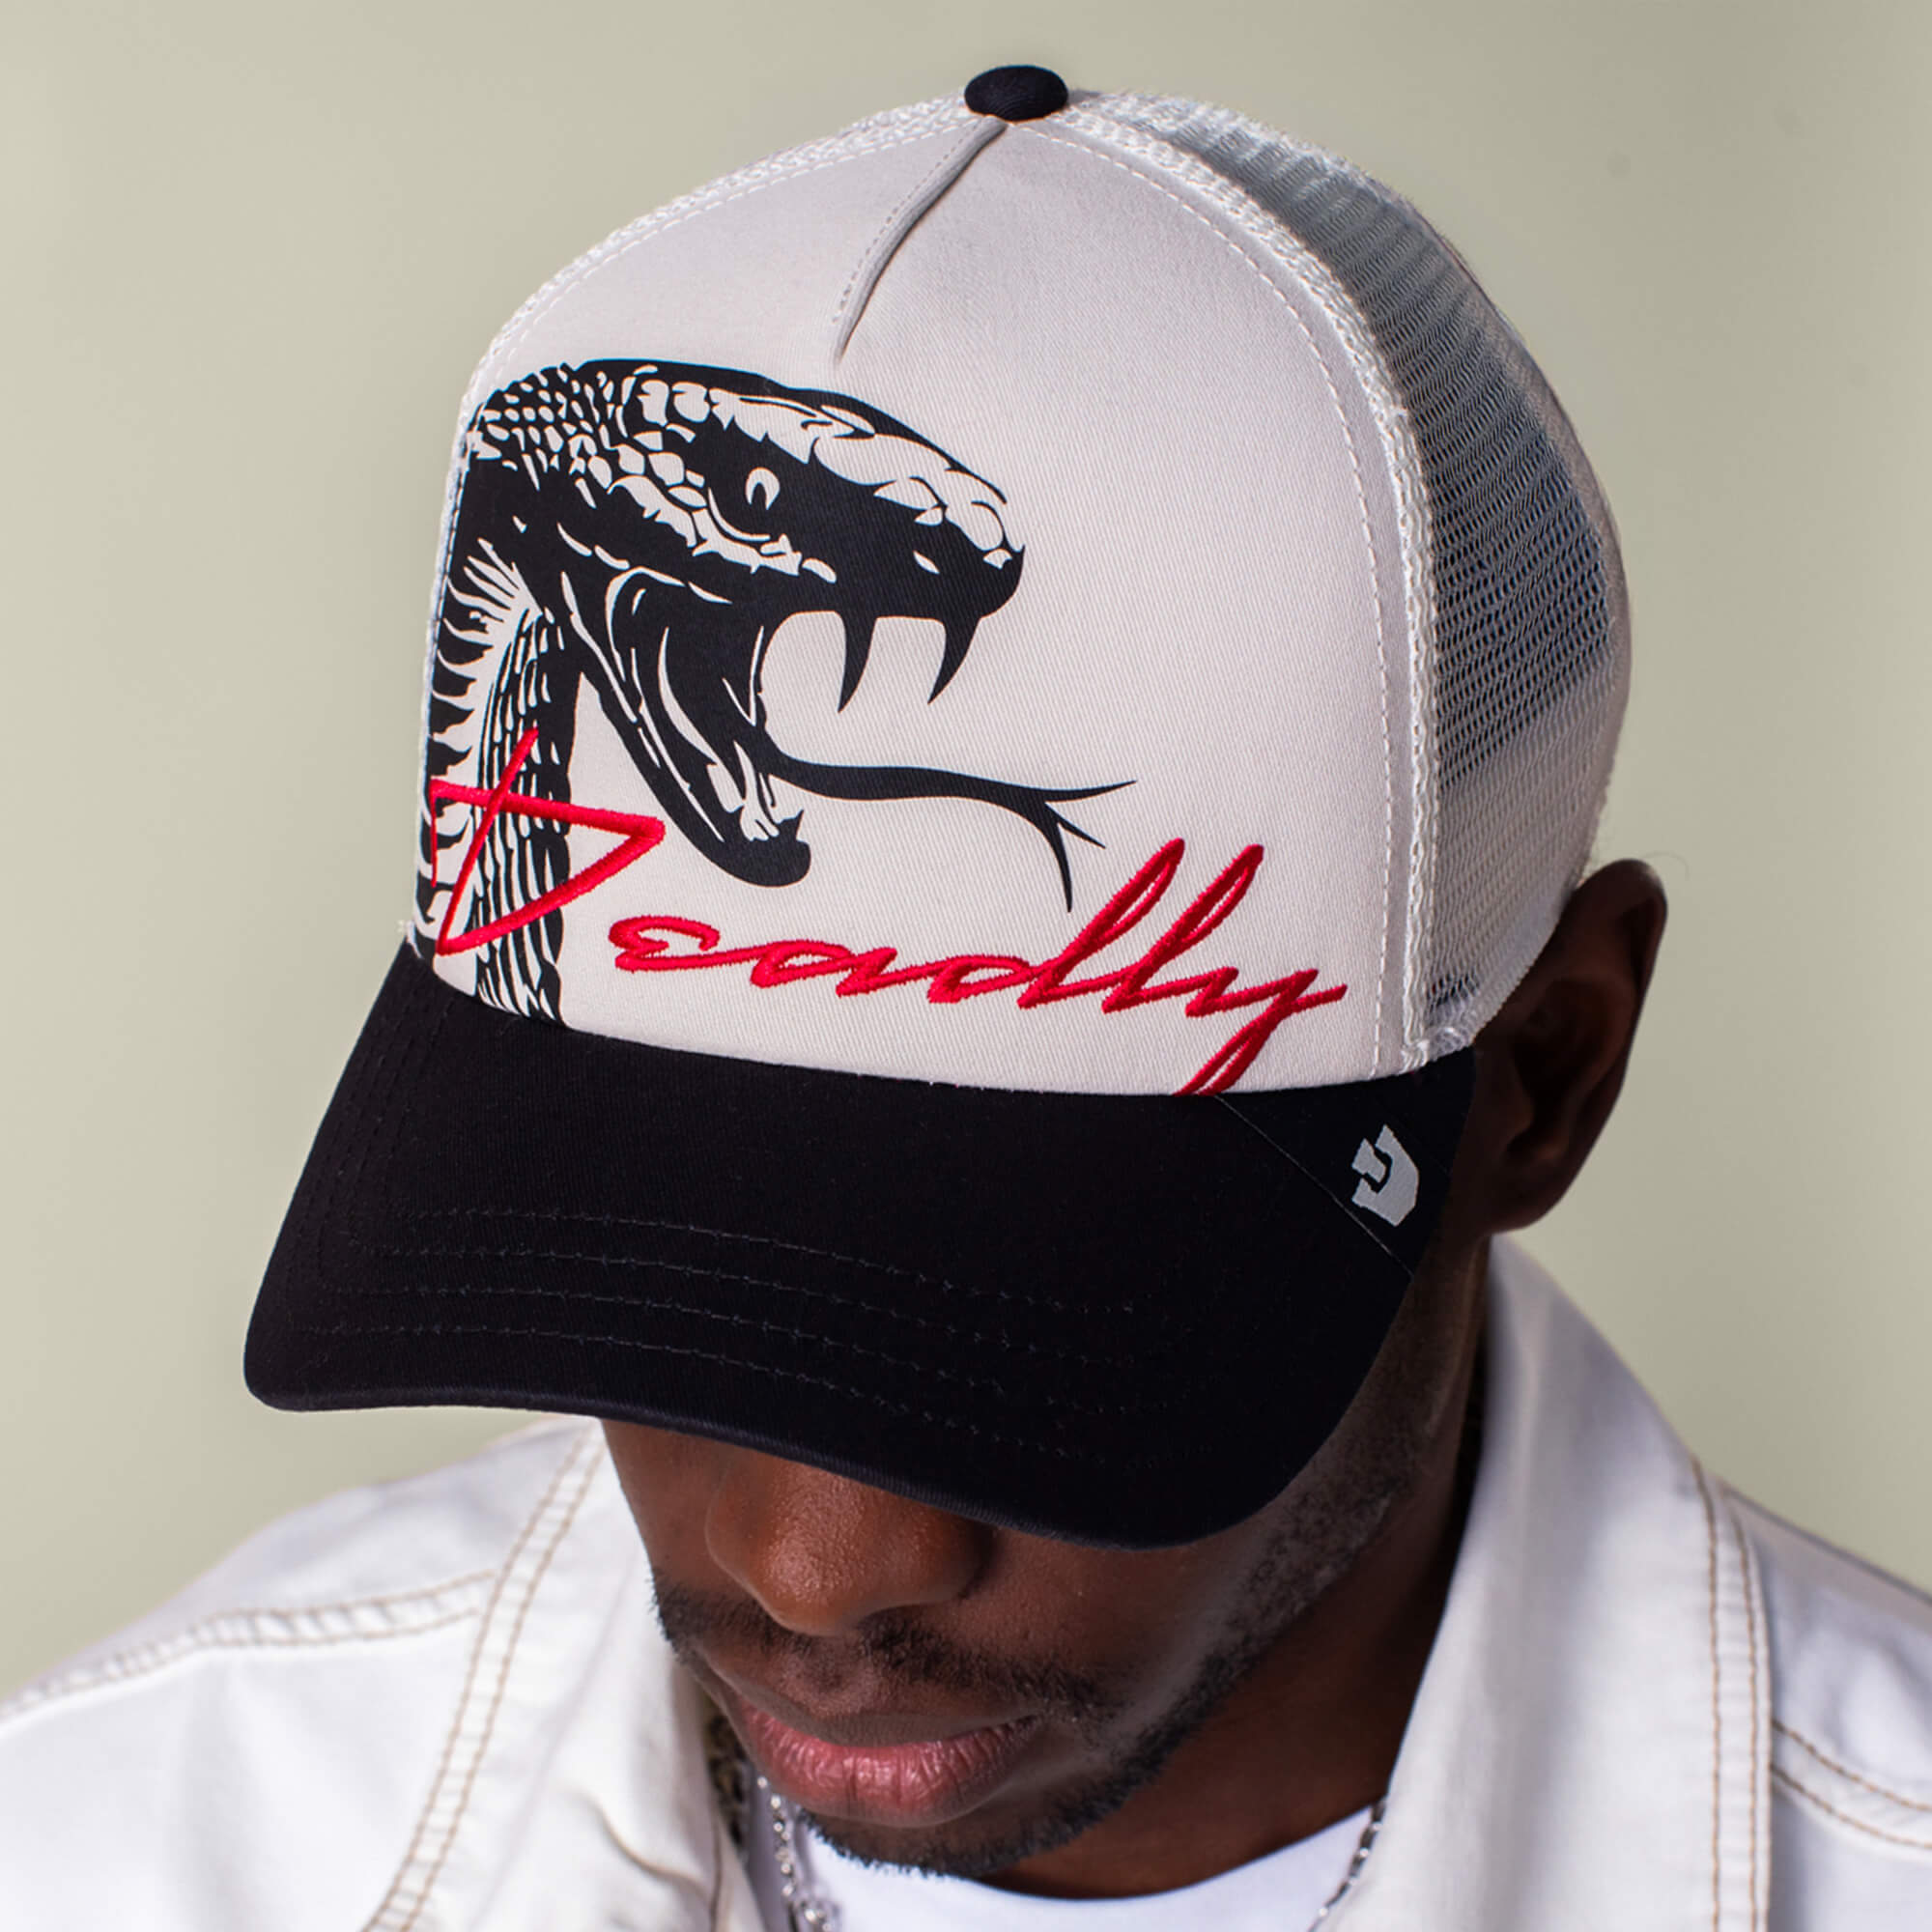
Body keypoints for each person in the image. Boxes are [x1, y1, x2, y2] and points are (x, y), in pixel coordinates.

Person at [3, 65, 1928, 1931]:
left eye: (1036, 1332)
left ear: (1543, 1078)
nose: (813, 1571)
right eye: (659, 1290)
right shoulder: (122, 1849)